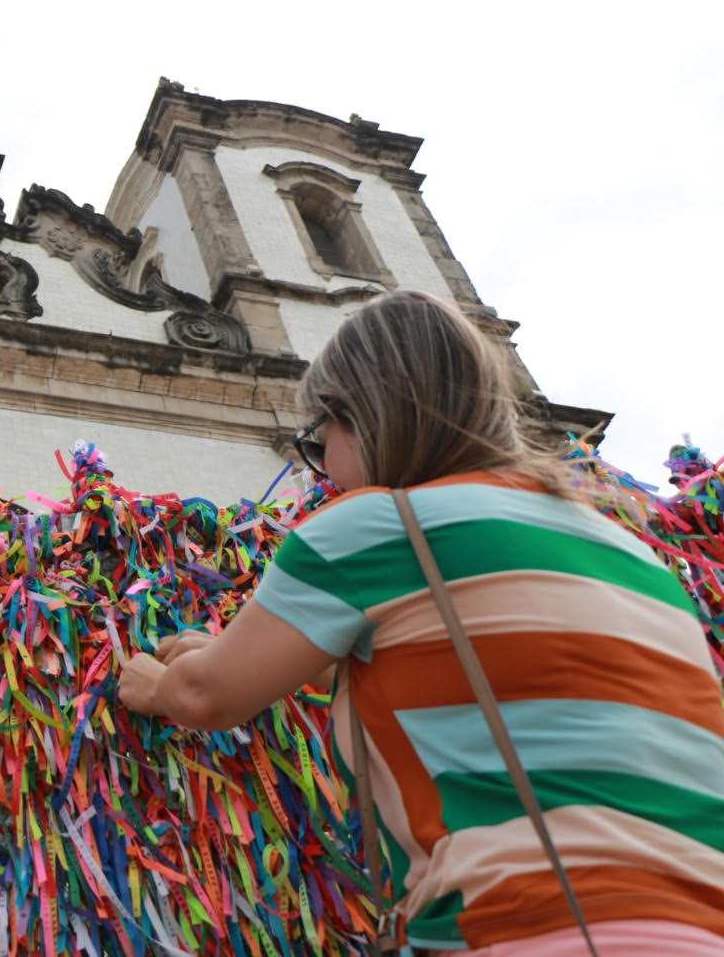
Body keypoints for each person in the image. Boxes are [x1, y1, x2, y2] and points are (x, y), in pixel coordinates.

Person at [119, 291, 724, 956]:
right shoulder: (631, 555)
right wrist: (274, 659)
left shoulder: (378, 525)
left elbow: (209, 695)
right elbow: (483, 664)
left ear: (359, 417)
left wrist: (152, 684)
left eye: (318, 444)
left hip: (536, 926)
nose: (323, 475)